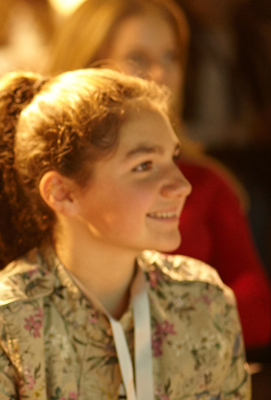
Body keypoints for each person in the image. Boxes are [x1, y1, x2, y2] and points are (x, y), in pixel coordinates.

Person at [0, 69, 249, 398]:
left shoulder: (203, 299)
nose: (181, 185)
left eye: (173, 158)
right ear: (62, 193)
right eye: (144, 165)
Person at [46, 0, 271, 351]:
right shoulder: (49, 182)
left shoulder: (206, 183)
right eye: (137, 58)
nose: (161, 74)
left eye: (171, 57)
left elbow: (258, 314)